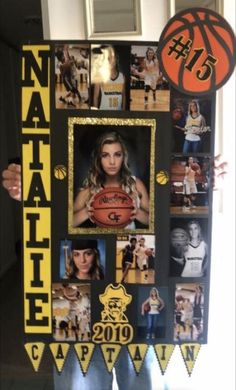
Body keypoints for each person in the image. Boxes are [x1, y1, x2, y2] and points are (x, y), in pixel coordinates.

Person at [73, 131, 149, 228]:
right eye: (105, 155)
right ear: (99, 159)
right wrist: (87, 212)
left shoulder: (135, 184)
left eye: (117, 155)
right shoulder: (90, 190)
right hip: (104, 242)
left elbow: (157, 219)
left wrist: (137, 213)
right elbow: (64, 223)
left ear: (123, 157)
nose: (112, 162)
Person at [91, 45, 126, 110]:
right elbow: (95, 97)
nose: (110, 60)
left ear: (116, 58)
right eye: (107, 58)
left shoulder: (122, 76)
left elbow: (124, 96)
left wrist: (123, 113)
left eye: (112, 57)